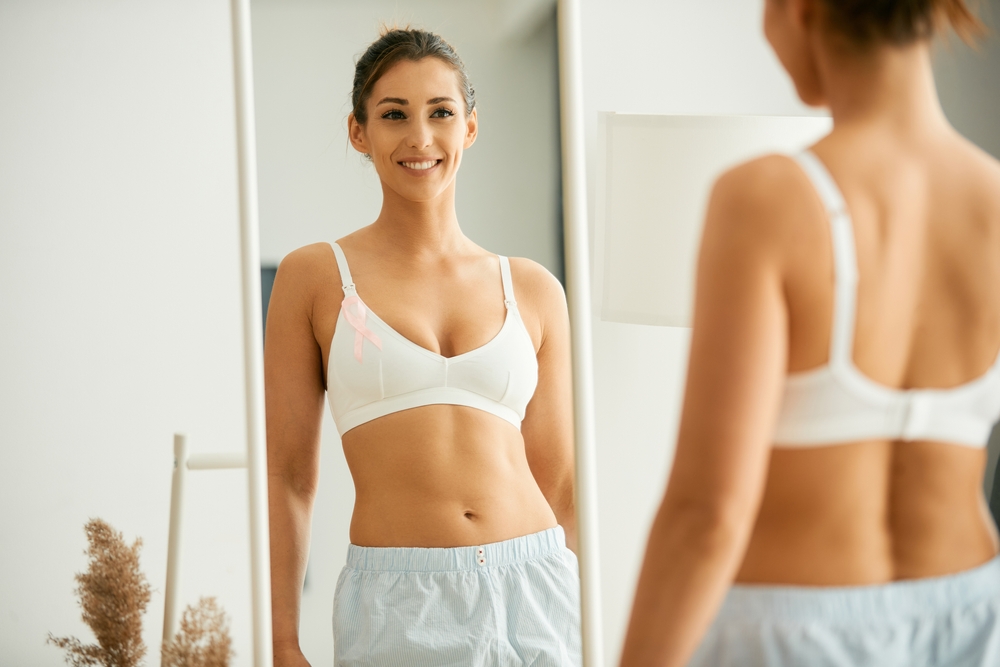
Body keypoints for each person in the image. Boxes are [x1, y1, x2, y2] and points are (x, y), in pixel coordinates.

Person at [619, 1, 1000, 665]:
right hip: (971, 615)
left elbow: (707, 515)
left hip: (791, 634)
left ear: (800, 8)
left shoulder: (764, 199)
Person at [264, 27, 580, 667]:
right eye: (393, 115)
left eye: (441, 112)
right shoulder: (315, 277)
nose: (420, 137)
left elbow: (562, 483)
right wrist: (280, 640)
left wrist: (597, 625)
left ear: (469, 127)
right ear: (359, 132)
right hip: (399, 597)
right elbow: (288, 477)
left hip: (537, 582)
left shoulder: (534, 289)